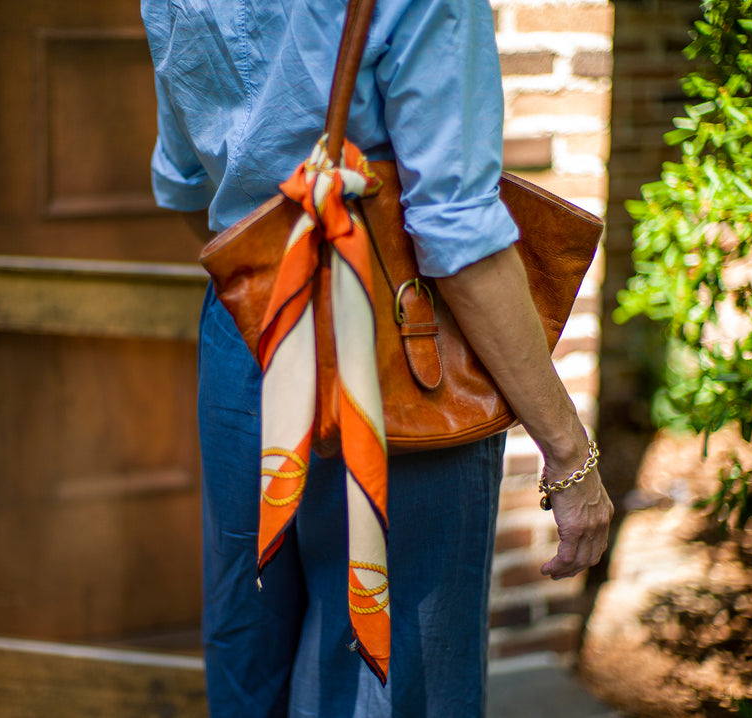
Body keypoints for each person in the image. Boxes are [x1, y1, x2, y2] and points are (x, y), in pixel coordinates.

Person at [142, 1, 614, 716]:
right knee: (394, 680)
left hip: (252, 335)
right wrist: (571, 456)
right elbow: (454, 235)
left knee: (251, 655)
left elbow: (185, 185)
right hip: (397, 353)